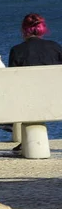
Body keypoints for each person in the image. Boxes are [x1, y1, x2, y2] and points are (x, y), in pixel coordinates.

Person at [8, 13, 62, 152]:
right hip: (56, 100)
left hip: (27, 102)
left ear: (23, 29)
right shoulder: (56, 48)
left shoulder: (16, 50)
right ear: (42, 28)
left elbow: (13, 82)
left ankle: (23, 140)